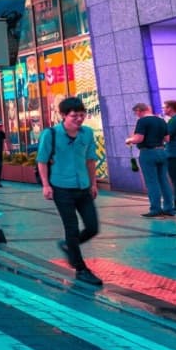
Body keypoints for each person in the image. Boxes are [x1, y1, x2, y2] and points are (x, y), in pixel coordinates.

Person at [38, 97, 103, 286]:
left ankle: (69, 246)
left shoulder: (87, 133)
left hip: (83, 187)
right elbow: (42, 161)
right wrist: (46, 185)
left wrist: (93, 183)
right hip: (61, 187)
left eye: (82, 115)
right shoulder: (51, 134)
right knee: (71, 228)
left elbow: (90, 160)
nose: (79, 119)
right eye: (74, 116)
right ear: (63, 115)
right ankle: (81, 269)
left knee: (92, 227)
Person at [126, 102, 173, 217]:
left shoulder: (142, 121)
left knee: (152, 182)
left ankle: (155, 209)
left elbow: (139, 138)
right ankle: (169, 208)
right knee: (164, 181)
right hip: (162, 152)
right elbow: (167, 139)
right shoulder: (161, 120)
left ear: (139, 110)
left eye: (136, 112)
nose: (136, 115)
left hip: (148, 153)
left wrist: (129, 140)